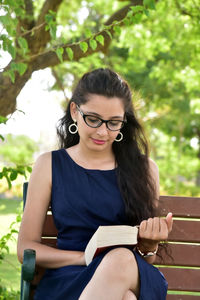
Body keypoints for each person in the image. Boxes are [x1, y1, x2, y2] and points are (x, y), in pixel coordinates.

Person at [17, 68, 173, 300]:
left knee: (120, 259)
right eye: (93, 119)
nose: (103, 131)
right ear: (74, 111)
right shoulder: (49, 165)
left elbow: (147, 258)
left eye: (114, 123)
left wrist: (149, 243)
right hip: (70, 277)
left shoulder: (145, 169)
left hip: (130, 271)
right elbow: (25, 249)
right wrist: (82, 258)